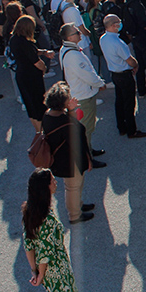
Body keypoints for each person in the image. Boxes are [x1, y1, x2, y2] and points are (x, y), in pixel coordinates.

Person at [21, 169, 96, 292]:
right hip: (57, 271)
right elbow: (45, 253)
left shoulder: (31, 211)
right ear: (45, 188)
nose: (56, 182)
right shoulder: (46, 219)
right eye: (53, 180)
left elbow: (28, 243)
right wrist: (40, 274)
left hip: (46, 272)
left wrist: (35, 271)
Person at [41, 81, 96, 224]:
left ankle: (78, 204)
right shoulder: (66, 122)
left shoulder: (48, 115)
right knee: (72, 187)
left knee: (74, 186)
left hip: (60, 159)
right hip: (70, 161)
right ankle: (75, 215)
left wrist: (69, 110)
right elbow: (78, 134)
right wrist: (88, 160)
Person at [59, 25, 107, 159]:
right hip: (83, 96)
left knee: (84, 127)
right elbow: (87, 75)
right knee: (85, 127)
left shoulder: (65, 49)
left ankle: (89, 149)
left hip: (77, 93)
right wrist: (100, 84)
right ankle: (87, 157)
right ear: (69, 37)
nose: (80, 33)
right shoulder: (73, 55)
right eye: (76, 32)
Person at [100, 14, 146, 139]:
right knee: (129, 103)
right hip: (125, 74)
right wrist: (136, 65)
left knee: (119, 101)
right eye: (118, 23)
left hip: (115, 74)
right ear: (113, 25)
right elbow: (130, 61)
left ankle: (121, 127)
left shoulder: (103, 39)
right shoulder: (118, 43)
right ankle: (132, 131)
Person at [8, 16, 52, 132]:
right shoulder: (25, 43)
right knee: (39, 106)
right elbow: (37, 63)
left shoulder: (14, 39)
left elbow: (31, 52)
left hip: (21, 75)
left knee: (30, 106)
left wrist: (43, 52)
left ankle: (38, 132)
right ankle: (43, 132)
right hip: (31, 77)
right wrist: (44, 68)